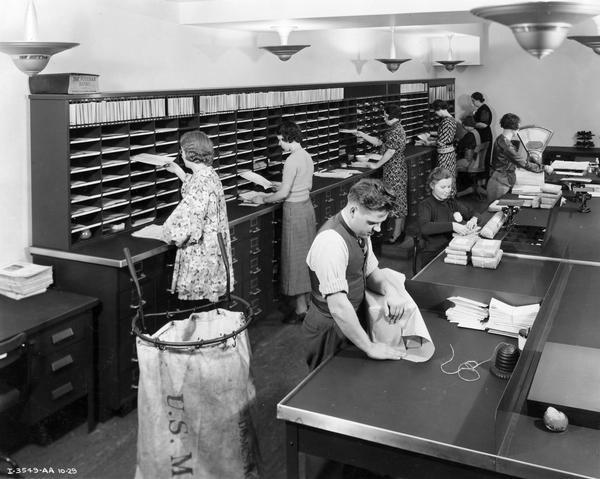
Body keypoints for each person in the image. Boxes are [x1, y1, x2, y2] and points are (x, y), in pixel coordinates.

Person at [302, 178, 410, 370]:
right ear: (353, 210)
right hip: (330, 329)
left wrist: (390, 291)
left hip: (352, 321)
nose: (377, 230)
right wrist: (369, 347)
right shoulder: (331, 242)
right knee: (328, 388)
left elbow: (370, 271)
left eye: (381, 223)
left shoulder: (361, 231)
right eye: (372, 222)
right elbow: (338, 307)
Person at [251, 120, 316, 324]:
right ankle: (307, 302)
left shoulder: (290, 161)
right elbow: (304, 184)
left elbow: (283, 194)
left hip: (294, 212)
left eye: (280, 140)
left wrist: (262, 198)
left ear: (289, 138)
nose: (280, 144)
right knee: (305, 258)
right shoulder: (306, 156)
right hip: (306, 209)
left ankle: (300, 310)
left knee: (294, 260)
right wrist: (279, 185)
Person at [161, 130, 233, 304]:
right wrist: (179, 172)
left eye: (182, 150)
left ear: (189, 153)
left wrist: (166, 232)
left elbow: (187, 225)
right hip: (215, 250)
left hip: (202, 256)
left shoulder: (200, 182)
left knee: (200, 311)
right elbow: (197, 192)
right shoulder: (209, 174)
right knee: (212, 306)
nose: (181, 154)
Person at [352, 104, 407, 243]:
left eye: (384, 115)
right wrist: (363, 134)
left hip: (395, 170)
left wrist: (376, 164)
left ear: (390, 116)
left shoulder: (396, 131)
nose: (383, 117)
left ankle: (396, 235)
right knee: (396, 199)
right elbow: (379, 142)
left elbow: (390, 152)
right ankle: (398, 233)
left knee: (397, 201)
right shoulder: (393, 128)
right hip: (393, 168)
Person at [418, 167, 480, 265]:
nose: (447, 191)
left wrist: (473, 220)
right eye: (443, 187)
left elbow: (474, 213)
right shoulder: (425, 205)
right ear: (432, 185)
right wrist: (453, 226)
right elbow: (425, 227)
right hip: (435, 254)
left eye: (449, 187)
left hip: (454, 249)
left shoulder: (451, 202)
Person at [487, 113, 553, 203]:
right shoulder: (506, 145)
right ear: (514, 127)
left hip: (501, 180)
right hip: (499, 183)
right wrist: (544, 168)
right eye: (518, 125)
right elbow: (522, 163)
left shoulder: (501, 139)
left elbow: (514, 160)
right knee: (495, 211)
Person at [430, 99, 458, 195]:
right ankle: (450, 198)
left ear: (438, 109)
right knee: (449, 177)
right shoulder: (452, 119)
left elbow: (442, 142)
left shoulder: (446, 122)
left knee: (443, 178)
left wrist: (428, 142)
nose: (435, 114)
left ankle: (447, 199)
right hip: (450, 152)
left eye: (435, 111)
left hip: (445, 155)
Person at [471, 92, 493, 172]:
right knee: (480, 158)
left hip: (485, 136)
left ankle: (484, 181)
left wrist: (471, 124)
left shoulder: (484, 109)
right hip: (481, 135)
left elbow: (484, 125)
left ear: (477, 100)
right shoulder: (480, 109)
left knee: (484, 158)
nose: (472, 102)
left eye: (473, 100)